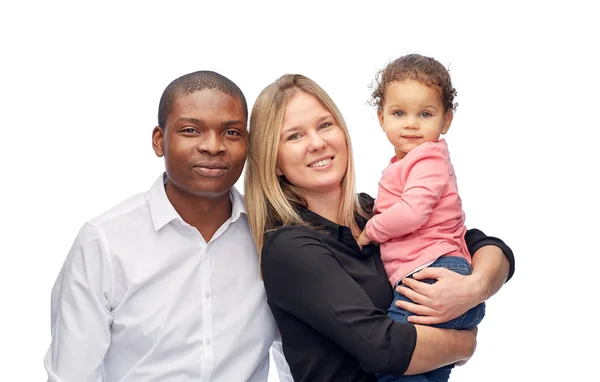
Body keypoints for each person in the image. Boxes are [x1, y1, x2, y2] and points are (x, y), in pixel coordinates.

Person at [244, 73, 515, 382]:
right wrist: (466, 344)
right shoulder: (291, 247)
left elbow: (484, 244)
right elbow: (382, 348)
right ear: (274, 161)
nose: (317, 143)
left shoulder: (373, 213)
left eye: (324, 125)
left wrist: (474, 286)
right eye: (294, 136)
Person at [44, 71, 292, 382]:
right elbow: (72, 374)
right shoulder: (104, 242)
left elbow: (298, 358)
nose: (213, 146)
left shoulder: (273, 239)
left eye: (231, 132)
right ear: (160, 141)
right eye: (191, 130)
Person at [355, 53, 483, 381]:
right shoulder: (405, 163)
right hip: (432, 272)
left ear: (446, 121)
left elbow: (412, 212)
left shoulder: (428, 160)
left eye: (425, 114)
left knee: (391, 358)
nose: (411, 123)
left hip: (433, 273)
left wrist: (372, 229)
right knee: (429, 369)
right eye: (399, 113)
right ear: (382, 118)